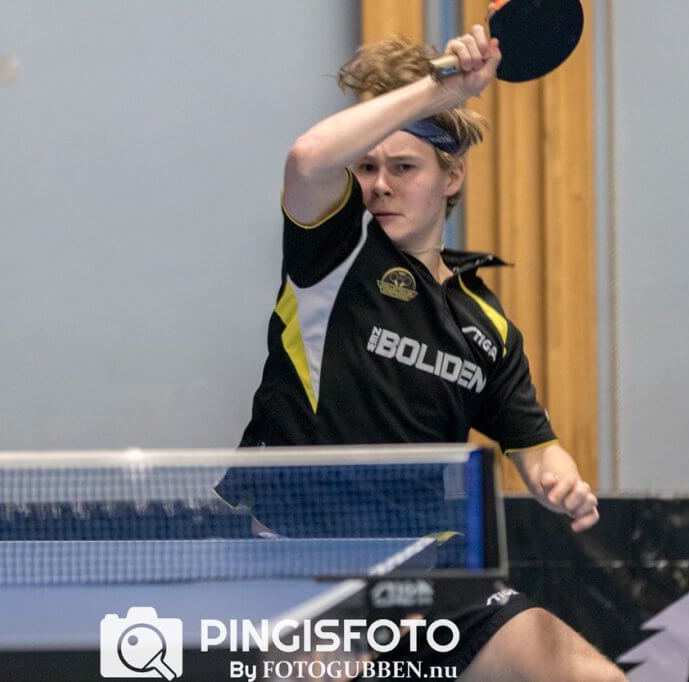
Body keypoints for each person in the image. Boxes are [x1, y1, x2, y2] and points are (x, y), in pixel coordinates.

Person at [234, 22, 626, 681]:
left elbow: (534, 445)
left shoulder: (486, 324)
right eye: (367, 167)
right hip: (306, 569)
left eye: (404, 167)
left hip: (429, 576)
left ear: (451, 176)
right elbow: (308, 158)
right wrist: (442, 90)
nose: (380, 184)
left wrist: (558, 478)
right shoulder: (334, 254)